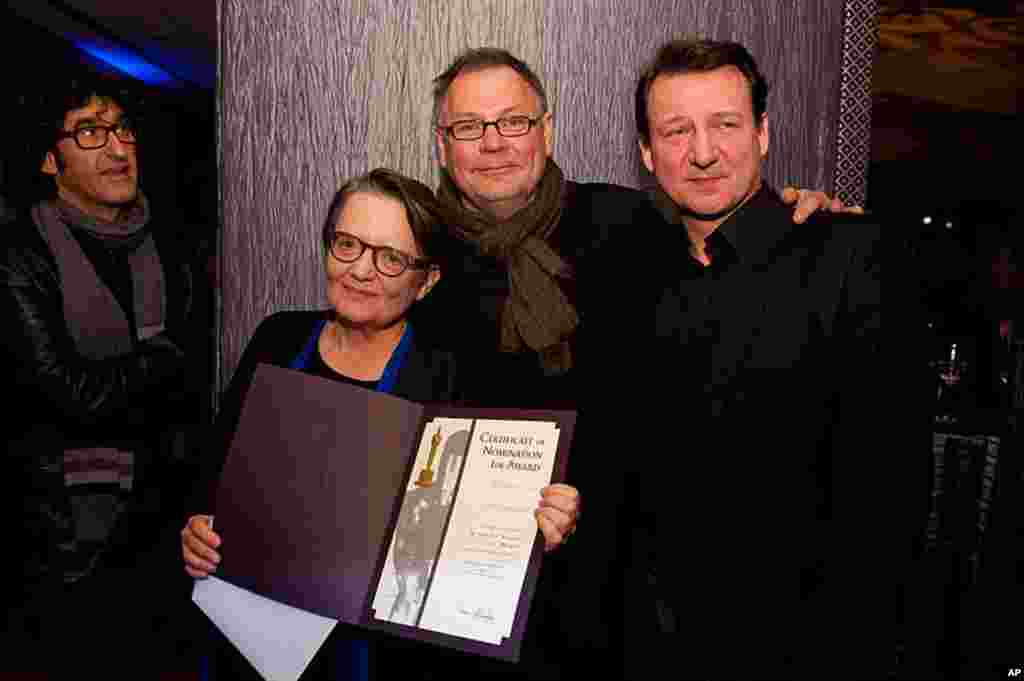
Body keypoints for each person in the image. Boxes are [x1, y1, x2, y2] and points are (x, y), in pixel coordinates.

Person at [412, 46, 859, 680]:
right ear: (442, 144)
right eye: (468, 127)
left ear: (546, 130)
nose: (493, 143)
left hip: (609, 600)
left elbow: (734, 234)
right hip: (458, 594)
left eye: (513, 121)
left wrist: (803, 217)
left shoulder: (627, 222)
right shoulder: (414, 258)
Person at [180, 168, 580, 680]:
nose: (361, 270)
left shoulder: (455, 377)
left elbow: (478, 538)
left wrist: (542, 520)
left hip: (383, 659)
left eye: (391, 258)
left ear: (426, 281)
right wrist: (196, 529)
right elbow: (215, 474)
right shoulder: (277, 339)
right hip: (252, 637)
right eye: (347, 244)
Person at [623, 38, 930, 680]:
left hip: (802, 650)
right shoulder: (631, 272)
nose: (703, 153)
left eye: (726, 125)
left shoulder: (850, 256)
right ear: (648, 154)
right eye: (677, 131)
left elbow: (888, 495)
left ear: (762, 133)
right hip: (652, 646)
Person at [1, 72, 207, 670]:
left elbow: (194, 382)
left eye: (121, 128)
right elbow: (71, 396)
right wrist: (162, 360)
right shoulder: (22, 255)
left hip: (166, 515)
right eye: (90, 131)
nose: (118, 148)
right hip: (62, 533)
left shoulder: (171, 242)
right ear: (49, 158)